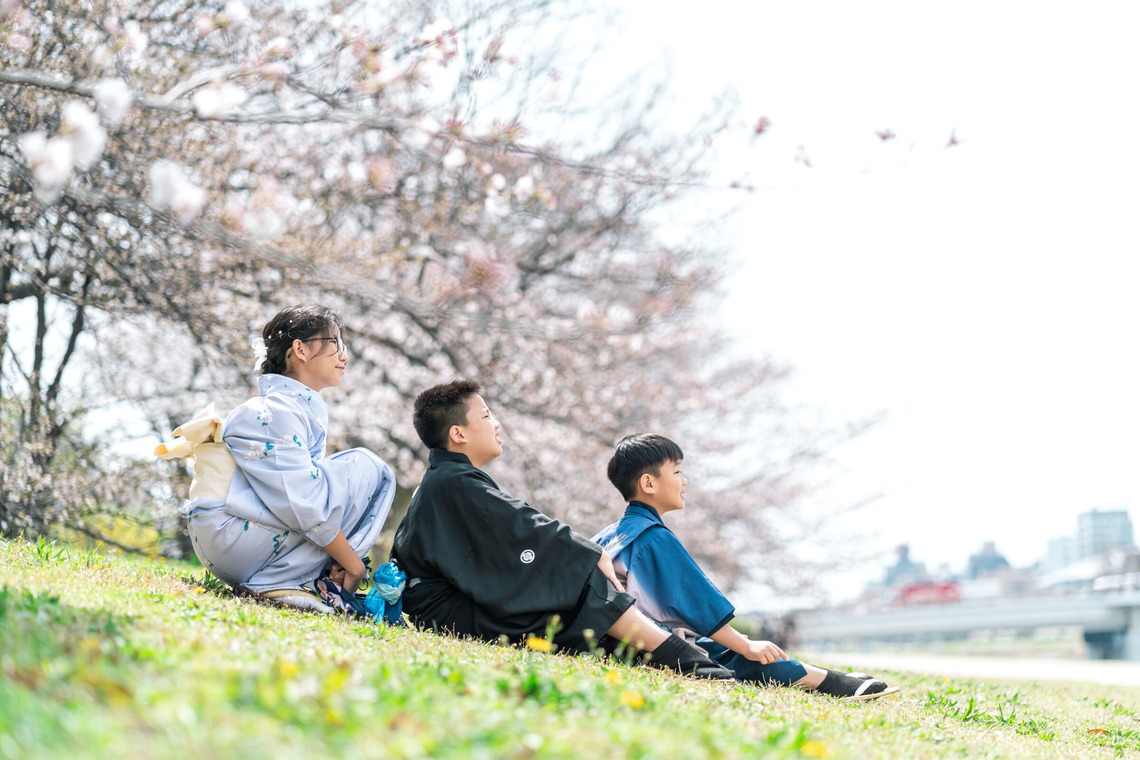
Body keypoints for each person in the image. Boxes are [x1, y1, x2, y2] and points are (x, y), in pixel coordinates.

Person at [389, 380, 733, 679]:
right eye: (485, 416)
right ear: (458, 433)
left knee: (571, 580)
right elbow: (523, 523)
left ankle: (679, 655)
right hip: (448, 612)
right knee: (579, 575)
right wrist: (591, 552)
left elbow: (515, 526)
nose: (496, 423)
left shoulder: (448, 479)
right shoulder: (452, 482)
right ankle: (682, 657)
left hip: (445, 606)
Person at [592, 433, 900, 701]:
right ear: (648, 483)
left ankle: (821, 675)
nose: (684, 481)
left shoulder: (612, 533)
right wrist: (747, 644)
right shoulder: (653, 537)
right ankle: (825, 680)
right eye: (677, 472)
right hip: (637, 645)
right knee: (737, 654)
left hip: (613, 637)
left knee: (718, 646)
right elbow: (696, 602)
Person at [159, 304, 397, 611]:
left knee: (352, 473)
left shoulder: (285, 408)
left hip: (239, 538)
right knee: (366, 467)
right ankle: (281, 581)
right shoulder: (273, 412)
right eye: (336, 343)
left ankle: (296, 579)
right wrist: (354, 565)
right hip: (234, 538)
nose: (344, 355)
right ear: (299, 349)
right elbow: (306, 505)